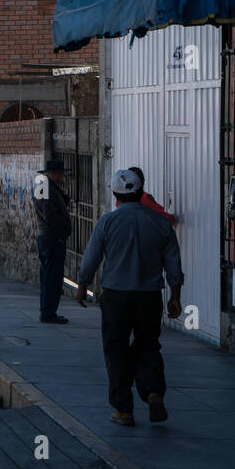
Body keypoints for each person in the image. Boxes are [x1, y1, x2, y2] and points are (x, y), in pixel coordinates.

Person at [75, 169, 184, 426]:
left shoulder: (107, 222)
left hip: (116, 297)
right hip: (149, 298)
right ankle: (153, 391)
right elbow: (173, 263)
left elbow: (92, 257)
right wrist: (175, 296)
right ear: (140, 191)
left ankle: (123, 410)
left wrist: (82, 284)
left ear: (115, 195)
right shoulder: (159, 223)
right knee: (148, 344)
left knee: (116, 349)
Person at [33, 158, 72, 324]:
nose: (64, 177)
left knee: (48, 276)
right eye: (62, 174)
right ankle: (49, 312)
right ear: (54, 174)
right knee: (52, 277)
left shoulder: (46, 187)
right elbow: (49, 215)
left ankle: (47, 310)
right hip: (52, 238)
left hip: (47, 237)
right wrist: (64, 225)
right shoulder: (47, 188)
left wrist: (64, 197)